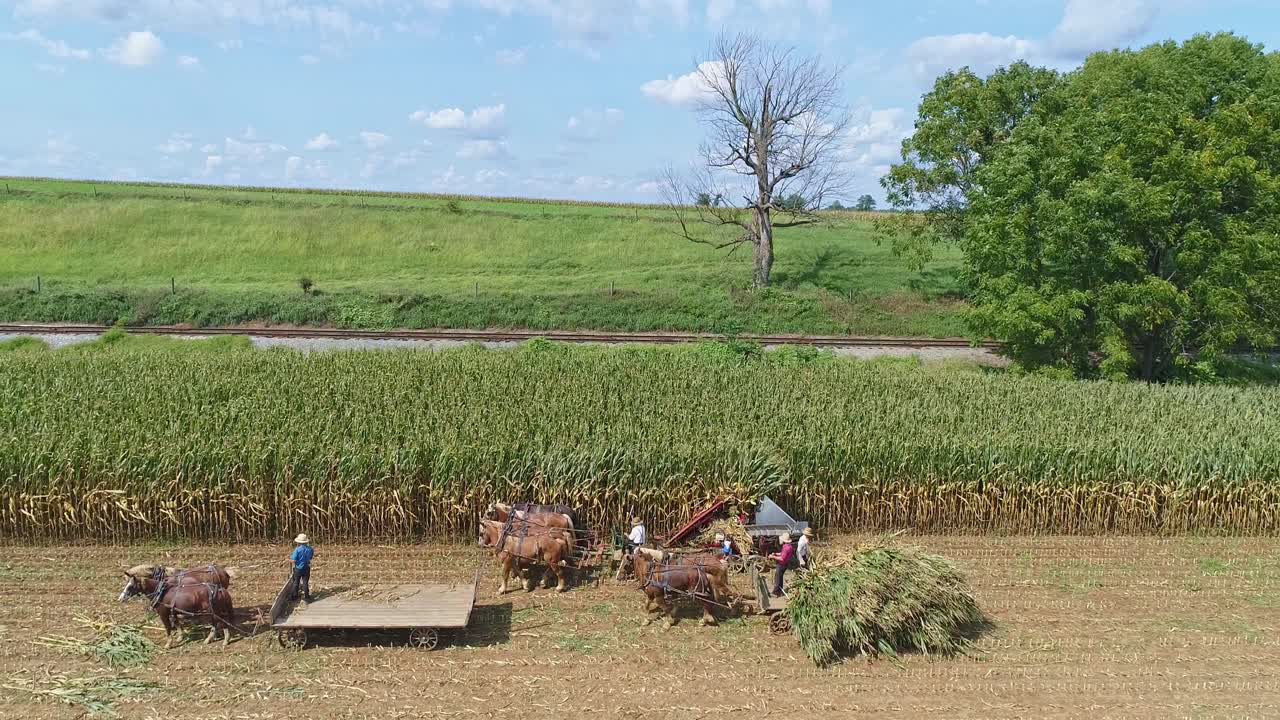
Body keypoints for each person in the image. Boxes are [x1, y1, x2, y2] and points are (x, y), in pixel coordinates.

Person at [286, 533, 314, 603]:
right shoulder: (310, 549)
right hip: (306, 568)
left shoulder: (297, 549)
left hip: (298, 568)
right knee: (305, 582)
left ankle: (294, 596)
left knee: (296, 582)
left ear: (298, 542)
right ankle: (307, 597)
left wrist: (287, 559)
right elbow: (310, 557)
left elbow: (293, 560)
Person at [769, 532, 798, 597]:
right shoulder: (789, 546)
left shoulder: (786, 548)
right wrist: (776, 553)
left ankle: (775, 593)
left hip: (782, 564)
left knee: (778, 578)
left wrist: (773, 557)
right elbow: (782, 554)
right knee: (780, 577)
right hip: (785, 564)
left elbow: (782, 558)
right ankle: (780, 591)